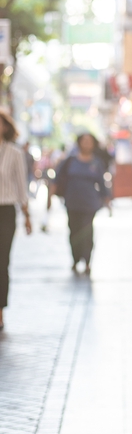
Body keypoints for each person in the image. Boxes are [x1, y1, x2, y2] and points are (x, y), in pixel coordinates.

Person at [53, 133, 110, 275]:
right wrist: (50, 196)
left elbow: (102, 184)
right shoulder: (70, 161)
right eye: (84, 141)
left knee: (87, 231)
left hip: (90, 203)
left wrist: (107, 199)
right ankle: (75, 258)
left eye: (89, 141)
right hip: (72, 202)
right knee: (74, 230)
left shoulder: (96, 162)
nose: (86, 144)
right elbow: (57, 178)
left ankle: (87, 260)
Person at [0, 111, 32, 330]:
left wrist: (27, 215)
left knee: (2, 262)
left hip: (5, 211)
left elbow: (21, 186)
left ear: (6, 127)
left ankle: (0, 311)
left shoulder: (14, 153)